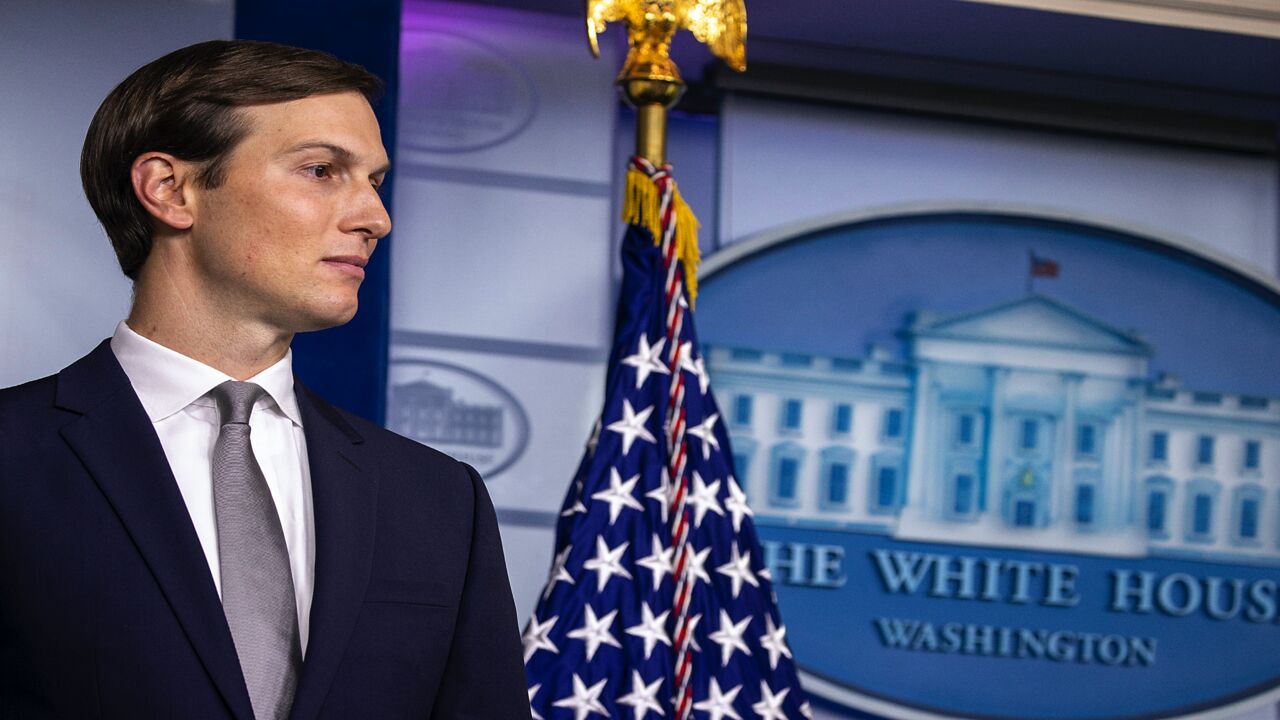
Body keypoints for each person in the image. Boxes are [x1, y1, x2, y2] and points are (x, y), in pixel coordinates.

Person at [0, 40, 530, 719]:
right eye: (322, 170)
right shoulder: (16, 455)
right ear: (170, 189)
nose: (375, 217)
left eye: (374, 180)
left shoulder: (438, 501)